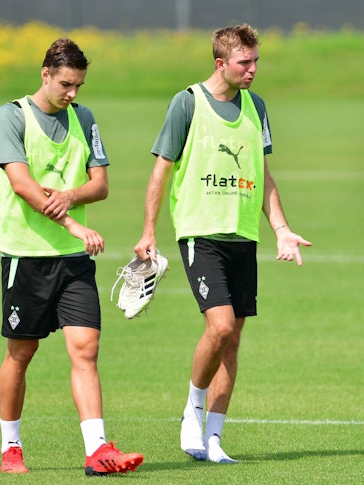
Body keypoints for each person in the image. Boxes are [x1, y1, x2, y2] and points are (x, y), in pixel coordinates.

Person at [133, 24, 311, 464]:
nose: (252, 70)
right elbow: (161, 171)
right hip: (200, 233)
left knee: (232, 342)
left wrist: (282, 229)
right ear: (221, 63)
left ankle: (213, 439)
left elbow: (264, 174)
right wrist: (149, 232)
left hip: (243, 235)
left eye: (255, 62)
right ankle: (192, 409)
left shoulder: (256, 106)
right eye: (243, 63)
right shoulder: (187, 103)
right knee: (221, 326)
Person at [0, 37, 143, 476]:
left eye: (78, 85)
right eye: (65, 84)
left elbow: (100, 185)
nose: (73, 93)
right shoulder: (11, 116)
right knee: (20, 354)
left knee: (86, 349)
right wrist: (75, 223)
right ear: (45, 74)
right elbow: (21, 183)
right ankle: (11, 447)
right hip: (27, 256)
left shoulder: (84, 118)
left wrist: (71, 195)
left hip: (73, 261)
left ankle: (97, 451)